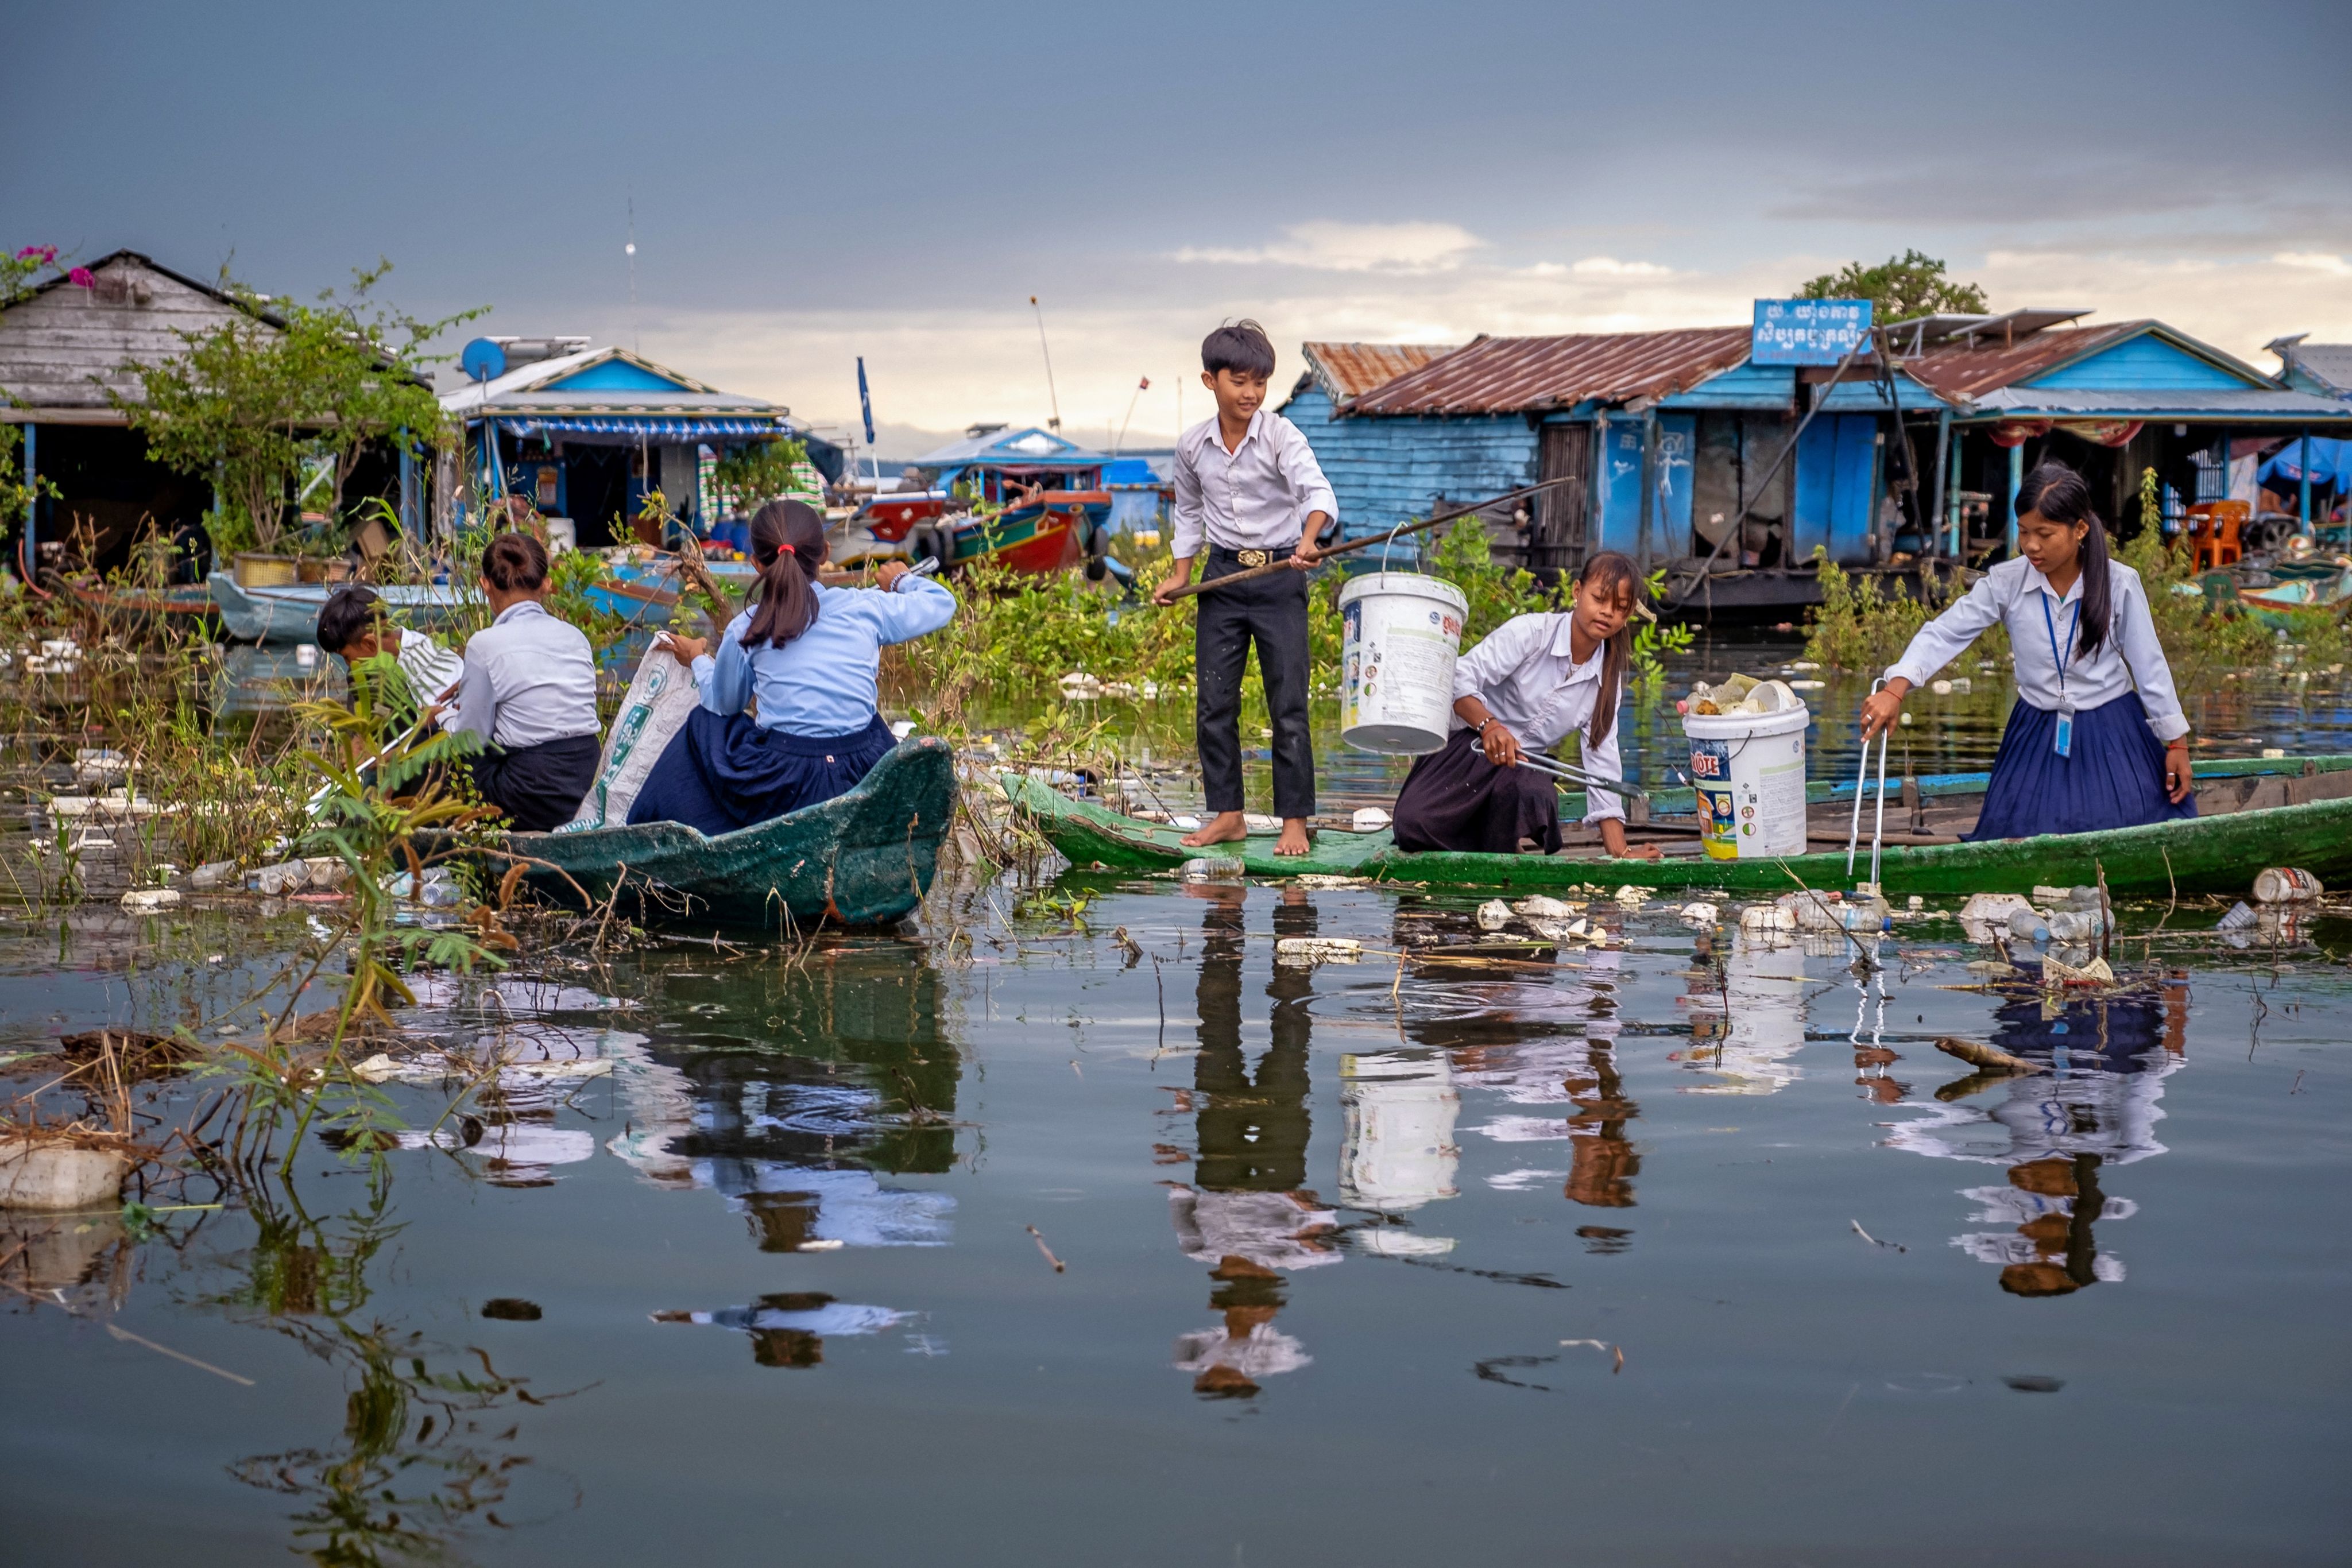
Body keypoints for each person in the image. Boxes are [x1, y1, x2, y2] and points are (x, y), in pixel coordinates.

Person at [1863, 461, 2194, 839]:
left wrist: (2177, 742)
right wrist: (1895, 688)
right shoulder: (2007, 581)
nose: (2031, 545)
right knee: (2015, 833)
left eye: (2046, 533)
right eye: (2024, 532)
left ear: (2080, 530)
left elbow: (2149, 665)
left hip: (2112, 728)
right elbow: (1946, 633)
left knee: (2126, 827)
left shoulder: (2120, 583)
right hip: (2034, 727)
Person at [628, 498, 955, 835]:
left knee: (704, 723)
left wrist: (698, 659)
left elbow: (724, 704)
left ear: (756, 564)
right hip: (865, 770)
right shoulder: (866, 607)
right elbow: (942, 604)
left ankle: (675, 834)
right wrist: (901, 580)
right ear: (825, 553)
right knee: (869, 722)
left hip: (785, 784)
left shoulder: (746, 627)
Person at [1151, 319, 1337, 858]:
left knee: (1288, 704)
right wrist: (1181, 575)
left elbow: (1315, 490)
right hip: (1224, 579)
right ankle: (1228, 815)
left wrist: (1308, 541)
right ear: (1211, 381)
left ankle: (1295, 820)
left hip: (1281, 576)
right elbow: (1188, 511)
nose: (1251, 394)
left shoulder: (1281, 435)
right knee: (1214, 703)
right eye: (1239, 381)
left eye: (1260, 382)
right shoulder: (1192, 447)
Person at [1392, 549, 1660, 858]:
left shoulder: (1607, 682)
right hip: (1468, 748)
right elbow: (1459, 677)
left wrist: (1621, 851)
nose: (1607, 613)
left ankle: (1500, 844)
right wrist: (1489, 726)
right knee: (1411, 826)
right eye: (1599, 599)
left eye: (1619, 608)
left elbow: (1602, 763)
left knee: (1533, 790)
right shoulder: (1532, 633)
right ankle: (1483, 839)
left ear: (1627, 617)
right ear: (1577, 592)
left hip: (1521, 767)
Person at [447, 532, 602, 832]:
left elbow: (471, 739)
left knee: (448, 758)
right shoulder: (576, 637)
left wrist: (442, 718)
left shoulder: (483, 645)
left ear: (485, 585)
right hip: (584, 776)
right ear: (546, 585)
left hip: (530, 789)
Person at [315, 586, 465, 731]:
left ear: (370, 644)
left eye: (347, 657)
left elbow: (439, 725)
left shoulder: (426, 665)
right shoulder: (371, 670)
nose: (349, 664)